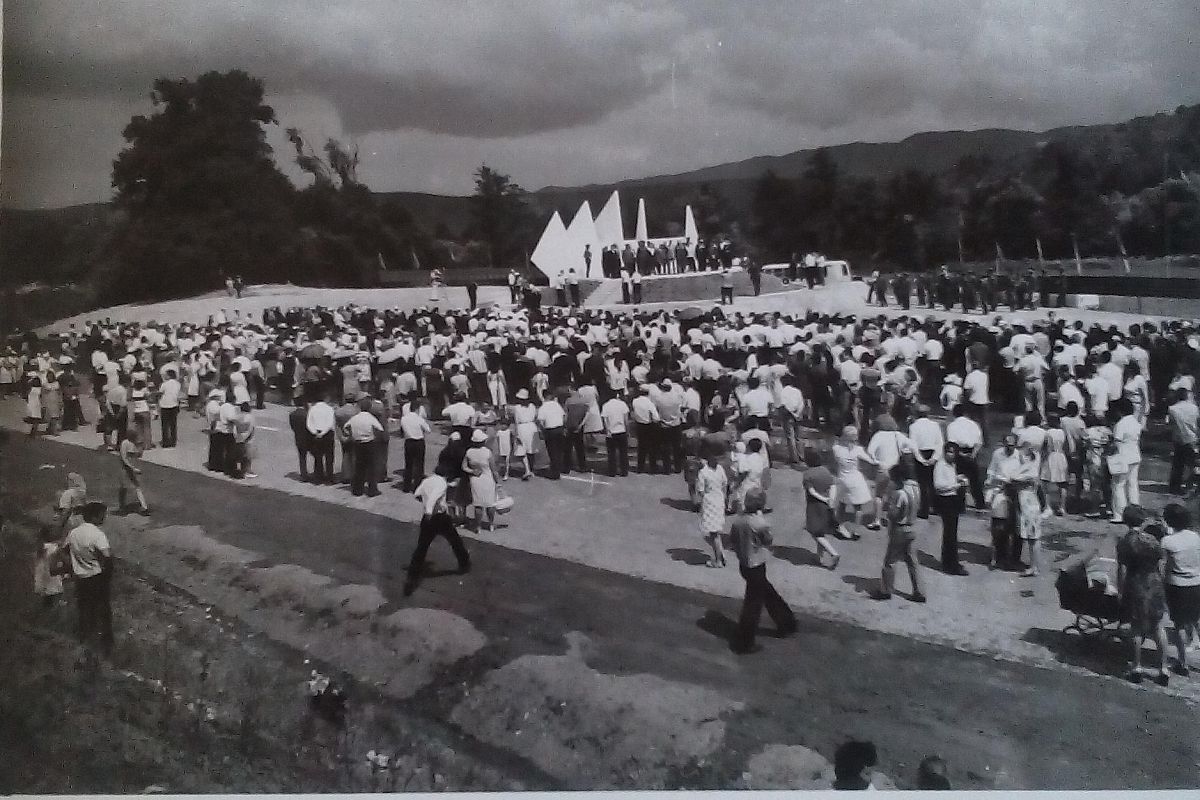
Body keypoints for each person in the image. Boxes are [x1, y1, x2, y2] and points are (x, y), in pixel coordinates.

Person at [728, 487, 795, 654]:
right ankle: (745, 641)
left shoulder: (737, 521)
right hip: (756, 564)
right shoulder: (759, 523)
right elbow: (768, 541)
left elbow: (733, 541)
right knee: (754, 604)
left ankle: (786, 622)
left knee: (767, 593)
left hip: (744, 564)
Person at [1116, 506, 1170, 685]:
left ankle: (1136, 666)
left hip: (1136, 585)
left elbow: (1122, 569)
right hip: (1154, 584)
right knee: (1158, 627)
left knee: (1137, 628)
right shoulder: (1153, 540)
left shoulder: (1125, 542)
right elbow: (1161, 565)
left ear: (1126, 521)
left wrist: (1121, 590)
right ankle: (1163, 668)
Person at [403, 467, 471, 596]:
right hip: (439, 518)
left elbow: (417, 494)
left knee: (421, 548)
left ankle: (411, 578)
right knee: (454, 540)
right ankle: (464, 563)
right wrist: (430, 510)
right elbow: (433, 498)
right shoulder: (441, 483)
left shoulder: (427, 480)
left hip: (427, 520)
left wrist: (425, 508)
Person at [65, 502, 114, 654]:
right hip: (96, 577)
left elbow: (64, 549)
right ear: (94, 516)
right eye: (102, 515)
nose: (104, 517)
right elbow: (107, 556)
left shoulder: (73, 533)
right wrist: (107, 573)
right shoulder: (97, 534)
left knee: (84, 609)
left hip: (81, 578)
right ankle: (105, 643)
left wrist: (72, 565)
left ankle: (85, 639)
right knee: (103, 610)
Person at [873, 463, 926, 602]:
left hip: (899, 528)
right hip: (913, 527)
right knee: (912, 560)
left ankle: (885, 590)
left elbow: (893, 514)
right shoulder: (916, 488)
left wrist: (887, 506)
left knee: (890, 561)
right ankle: (919, 591)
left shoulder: (899, 493)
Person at [1161, 503, 1200, 676]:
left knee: (1180, 625)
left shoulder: (1168, 541)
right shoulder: (1195, 536)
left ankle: (1182, 662)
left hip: (1177, 585)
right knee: (1196, 621)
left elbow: (1164, 566)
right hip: (1197, 582)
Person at [932, 442, 970, 575]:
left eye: (953, 452)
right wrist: (956, 485)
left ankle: (951, 561)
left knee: (952, 533)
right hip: (945, 500)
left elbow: (949, 479)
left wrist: (958, 478)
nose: (951, 455)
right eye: (949, 452)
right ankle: (950, 565)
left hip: (953, 499)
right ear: (945, 452)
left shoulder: (952, 465)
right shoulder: (940, 465)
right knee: (949, 534)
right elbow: (938, 485)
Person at [801, 448, 841, 569]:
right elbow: (833, 486)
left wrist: (822, 499)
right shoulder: (825, 471)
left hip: (814, 506)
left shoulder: (807, 474)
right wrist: (830, 500)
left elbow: (811, 491)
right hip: (827, 505)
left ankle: (833, 553)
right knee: (820, 531)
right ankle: (819, 557)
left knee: (814, 531)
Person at [695, 449, 729, 568]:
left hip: (709, 502)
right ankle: (721, 554)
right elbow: (725, 483)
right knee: (716, 532)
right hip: (719, 500)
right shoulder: (720, 469)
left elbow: (700, 491)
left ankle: (718, 560)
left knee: (713, 533)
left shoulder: (703, 473)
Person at [344, 395, 383, 497]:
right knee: (371, 467)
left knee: (359, 467)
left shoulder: (354, 418)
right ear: (369, 408)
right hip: (369, 443)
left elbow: (345, 427)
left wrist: (351, 434)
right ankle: (372, 490)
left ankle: (358, 490)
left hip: (358, 443)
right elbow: (380, 428)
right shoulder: (371, 418)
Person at [463, 428, 500, 532]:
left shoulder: (469, 452)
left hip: (475, 479)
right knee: (490, 503)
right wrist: (497, 481)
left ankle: (478, 526)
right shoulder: (487, 452)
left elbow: (464, 467)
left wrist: (472, 471)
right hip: (488, 479)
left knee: (478, 504)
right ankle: (491, 524)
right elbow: (494, 469)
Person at [118, 432, 151, 515]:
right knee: (123, 487)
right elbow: (123, 458)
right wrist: (132, 468)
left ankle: (144, 507)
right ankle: (122, 507)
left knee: (138, 487)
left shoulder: (136, 444)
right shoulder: (124, 443)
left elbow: (139, 455)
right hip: (125, 468)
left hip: (134, 468)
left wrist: (141, 447)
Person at [289, 400, 313, 482]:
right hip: (308, 437)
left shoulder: (292, 414)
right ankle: (317, 473)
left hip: (298, 437)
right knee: (316, 455)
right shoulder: (307, 414)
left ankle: (304, 475)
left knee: (302, 457)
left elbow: (292, 427)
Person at [158, 367, 181, 447]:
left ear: (169, 376)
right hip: (174, 404)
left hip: (165, 405)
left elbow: (160, 393)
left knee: (165, 425)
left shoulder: (164, 384)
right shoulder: (178, 384)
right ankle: (173, 441)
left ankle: (165, 442)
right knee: (173, 424)